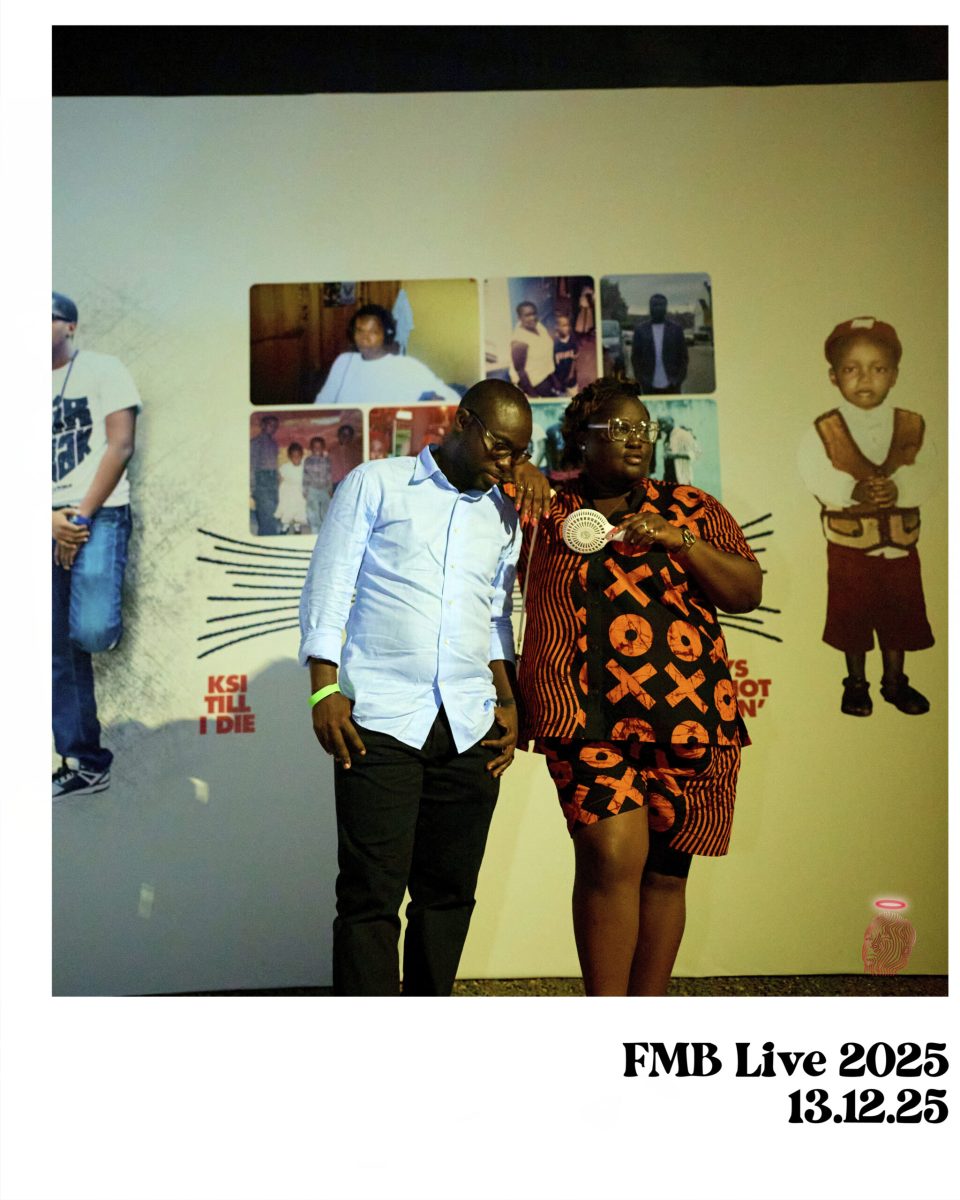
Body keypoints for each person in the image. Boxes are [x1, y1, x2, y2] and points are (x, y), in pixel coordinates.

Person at [513, 377, 761, 995]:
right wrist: (520, 467)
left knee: (667, 874)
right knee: (610, 857)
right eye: (619, 429)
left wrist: (682, 540)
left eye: (642, 429)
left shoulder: (693, 507)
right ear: (580, 438)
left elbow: (746, 592)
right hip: (583, 715)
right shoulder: (547, 509)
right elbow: (474, 469)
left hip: (689, 714)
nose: (635, 440)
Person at [299, 379, 533, 995]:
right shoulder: (376, 483)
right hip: (381, 720)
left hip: (470, 726)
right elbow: (330, 584)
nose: (509, 464)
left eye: (520, 453)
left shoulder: (502, 515)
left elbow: (495, 617)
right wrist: (324, 688)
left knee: (449, 894)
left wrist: (508, 700)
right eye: (502, 447)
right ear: (463, 422)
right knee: (369, 897)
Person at [796, 317, 933, 717]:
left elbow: (931, 471)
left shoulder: (912, 425)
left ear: (894, 375)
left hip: (900, 548)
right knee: (851, 619)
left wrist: (901, 488)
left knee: (900, 618)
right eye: (851, 369)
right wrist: (848, 490)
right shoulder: (824, 430)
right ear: (834, 376)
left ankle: (895, 681)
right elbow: (813, 472)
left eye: (878, 368)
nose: (865, 379)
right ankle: (856, 684)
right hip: (850, 549)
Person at [52, 291, 141, 799]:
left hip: (99, 511)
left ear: (70, 326)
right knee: (55, 650)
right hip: (42, 517)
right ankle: (85, 762)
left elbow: (120, 444)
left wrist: (79, 518)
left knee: (89, 631)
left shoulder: (104, 369)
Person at [314, 303, 460, 407]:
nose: (364, 338)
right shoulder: (343, 361)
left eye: (373, 332)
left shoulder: (407, 366)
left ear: (387, 335)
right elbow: (322, 402)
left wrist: (436, 403)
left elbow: (453, 398)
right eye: (360, 331)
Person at [631, 293, 689, 394]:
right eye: (655, 305)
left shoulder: (676, 329)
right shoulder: (640, 330)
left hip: (672, 385)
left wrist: (678, 379)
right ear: (650, 308)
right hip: (648, 386)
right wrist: (641, 379)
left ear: (666, 308)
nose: (658, 308)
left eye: (661, 305)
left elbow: (683, 356)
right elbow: (636, 357)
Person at [509, 302, 557, 397]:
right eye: (527, 315)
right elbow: (520, 371)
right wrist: (533, 395)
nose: (532, 318)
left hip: (546, 375)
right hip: (533, 382)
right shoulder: (519, 341)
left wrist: (553, 378)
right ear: (519, 318)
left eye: (534, 313)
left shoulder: (538, 326)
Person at [250, 414, 280, 535]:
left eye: (275, 426)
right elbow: (252, 465)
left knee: (273, 507)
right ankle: (268, 534)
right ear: (262, 425)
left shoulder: (274, 443)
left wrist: (277, 477)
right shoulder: (255, 442)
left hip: (272, 478)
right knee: (264, 509)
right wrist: (253, 485)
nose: (273, 428)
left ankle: (270, 532)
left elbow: (274, 462)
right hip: (261, 478)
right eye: (270, 425)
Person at [275, 442, 307, 534]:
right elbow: (280, 478)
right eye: (293, 456)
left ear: (302, 455)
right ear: (289, 456)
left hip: (300, 492)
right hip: (288, 492)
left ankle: (297, 526)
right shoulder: (286, 467)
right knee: (288, 509)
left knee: (299, 509)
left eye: (298, 456)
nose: (296, 458)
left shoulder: (304, 466)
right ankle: (286, 525)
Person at [303, 436, 333, 533]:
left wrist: (330, 488)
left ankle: (325, 529)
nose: (317, 449)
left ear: (323, 448)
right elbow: (306, 476)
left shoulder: (326, 460)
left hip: (324, 488)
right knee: (312, 509)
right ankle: (315, 528)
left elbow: (329, 475)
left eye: (319, 447)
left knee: (326, 508)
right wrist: (305, 490)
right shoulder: (308, 460)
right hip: (312, 488)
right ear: (311, 448)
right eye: (315, 447)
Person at [326, 422, 362, 491]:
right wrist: (329, 485)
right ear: (338, 435)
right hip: (336, 483)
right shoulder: (332, 451)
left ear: (351, 437)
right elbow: (327, 469)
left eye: (348, 435)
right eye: (343, 434)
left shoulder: (356, 451)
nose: (345, 437)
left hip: (352, 482)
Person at [552, 311, 578, 395]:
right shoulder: (553, 343)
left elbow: (574, 359)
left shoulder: (573, 340)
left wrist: (571, 374)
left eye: (568, 325)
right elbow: (549, 365)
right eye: (564, 326)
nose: (567, 328)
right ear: (557, 327)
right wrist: (556, 381)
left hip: (571, 381)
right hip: (558, 382)